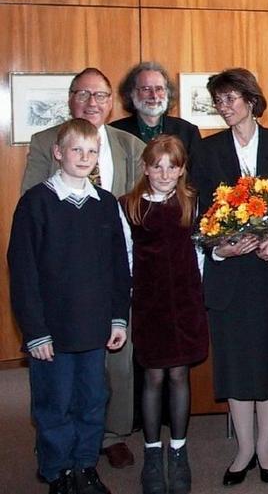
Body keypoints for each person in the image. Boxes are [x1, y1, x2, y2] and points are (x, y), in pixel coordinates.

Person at [21, 67, 145, 470]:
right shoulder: (46, 151)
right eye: (84, 94)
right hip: (58, 294)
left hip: (104, 288)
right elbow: (28, 245)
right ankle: (59, 462)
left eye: (102, 96)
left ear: (112, 102)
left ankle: (104, 442)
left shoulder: (128, 145)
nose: (93, 103)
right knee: (57, 390)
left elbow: (137, 215)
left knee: (104, 381)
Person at [191, 68, 268, 487]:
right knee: (236, 363)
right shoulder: (206, 151)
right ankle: (242, 449)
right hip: (231, 272)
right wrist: (218, 248)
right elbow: (202, 212)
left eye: (231, 99)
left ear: (252, 100)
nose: (224, 107)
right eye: (218, 101)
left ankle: (266, 447)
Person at [8, 118, 131, 494]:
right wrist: (35, 331)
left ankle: (84, 466)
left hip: (94, 328)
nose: (84, 157)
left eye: (91, 151)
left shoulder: (105, 204)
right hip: (53, 333)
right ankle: (58, 471)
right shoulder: (36, 204)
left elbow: (118, 267)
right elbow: (23, 272)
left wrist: (118, 319)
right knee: (54, 404)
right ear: (58, 154)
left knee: (93, 400)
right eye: (76, 150)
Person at [120, 135, 209, 494]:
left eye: (172, 166)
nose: (164, 173)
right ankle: (153, 452)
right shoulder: (129, 205)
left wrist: (198, 292)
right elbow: (126, 255)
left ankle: (178, 451)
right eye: (157, 165)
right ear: (145, 167)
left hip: (185, 301)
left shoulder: (191, 201)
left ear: (182, 169)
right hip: (149, 303)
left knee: (179, 375)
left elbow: (201, 252)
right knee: (153, 377)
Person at [111, 61, 202, 161]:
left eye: (159, 89)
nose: (154, 95)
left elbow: (197, 173)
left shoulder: (188, 132)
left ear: (168, 92)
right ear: (132, 93)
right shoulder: (115, 133)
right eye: (146, 89)